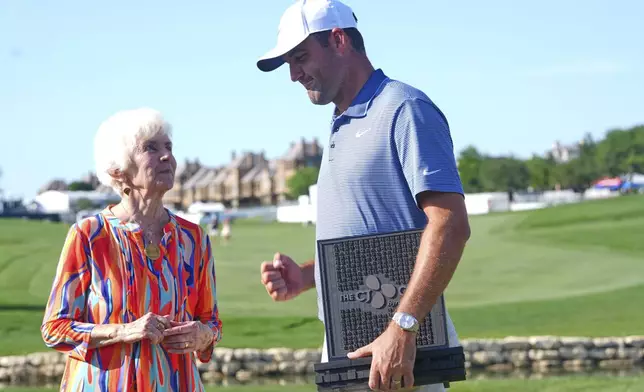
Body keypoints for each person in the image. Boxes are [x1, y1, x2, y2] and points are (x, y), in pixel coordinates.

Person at [257, 1, 470, 391]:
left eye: (300, 57)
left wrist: (403, 326)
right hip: (350, 347)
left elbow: (450, 223)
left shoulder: (404, 108)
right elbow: (368, 236)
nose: (293, 75)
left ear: (338, 40)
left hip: (399, 347)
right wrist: (307, 276)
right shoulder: (342, 121)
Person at [41, 108, 222, 391]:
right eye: (150, 148)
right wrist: (123, 331)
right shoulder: (89, 235)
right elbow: (55, 329)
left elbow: (212, 321)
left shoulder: (194, 238)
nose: (167, 156)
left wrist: (203, 336)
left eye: (168, 147)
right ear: (117, 170)